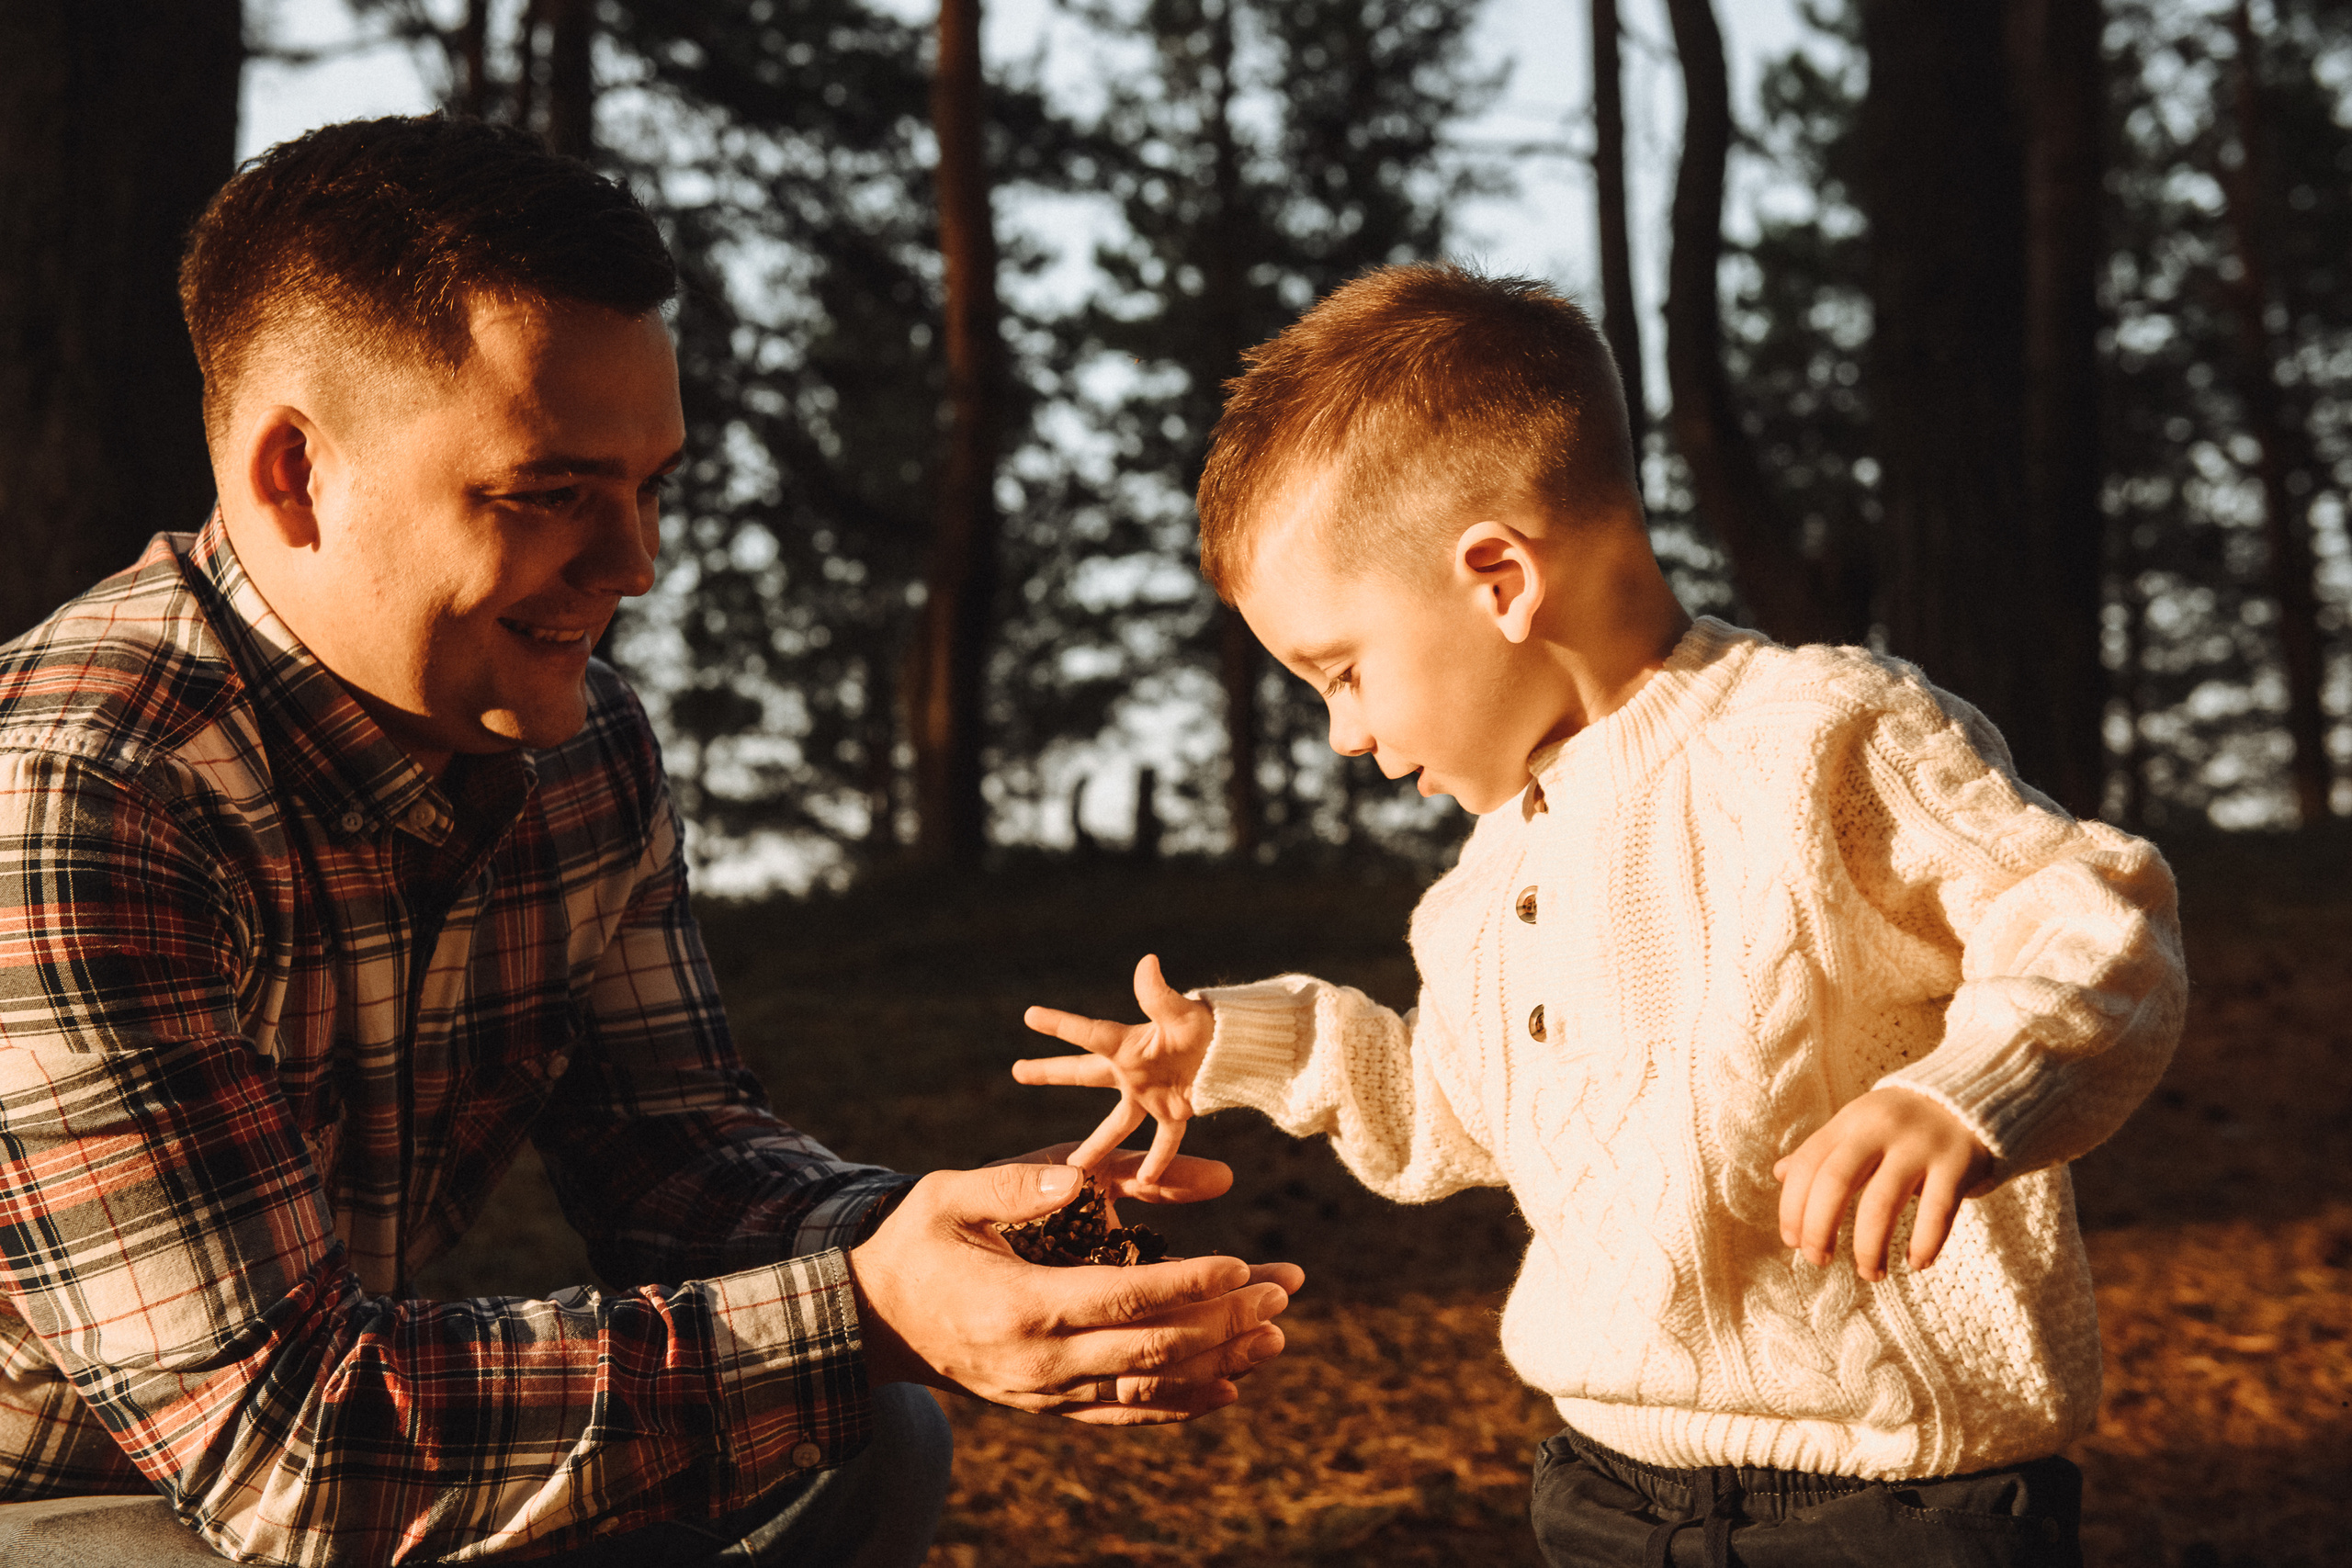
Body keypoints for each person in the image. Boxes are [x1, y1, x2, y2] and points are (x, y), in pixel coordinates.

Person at [0, 116, 1300, 1568]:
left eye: (650, 486)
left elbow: (675, 1164)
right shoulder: (80, 798)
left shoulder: (578, 747)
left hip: (315, 1462)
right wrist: (866, 1311)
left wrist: (969, 1242)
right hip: (70, 1495)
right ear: (294, 475)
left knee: (868, 1433)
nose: (636, 567)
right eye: (548, 493)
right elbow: (292, 1450)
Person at [1015, 264, 2187, 1567]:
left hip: (1897, 1502)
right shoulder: (1477, 894)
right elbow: (1447, 1117)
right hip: (1607, 1496)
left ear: (1501, 577)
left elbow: (2095, 921)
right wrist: (1251, 1046)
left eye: (1341, 672)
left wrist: (1972, 1090)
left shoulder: (1825, 736)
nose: (1343, 734)